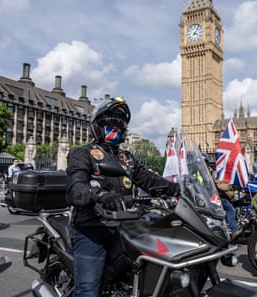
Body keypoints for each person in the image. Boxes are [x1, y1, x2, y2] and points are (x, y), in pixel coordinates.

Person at [66, 96, 180, 297]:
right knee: (88, 290)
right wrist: (97, 194)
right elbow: (75, 188)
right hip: (92, 227)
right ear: (98, 126)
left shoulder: (126, 158)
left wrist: (179, 188)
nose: (115, 129)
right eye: (110, 124)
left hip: (125, 225)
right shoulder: (82, 154)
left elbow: (148, 181)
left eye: (120, 125)